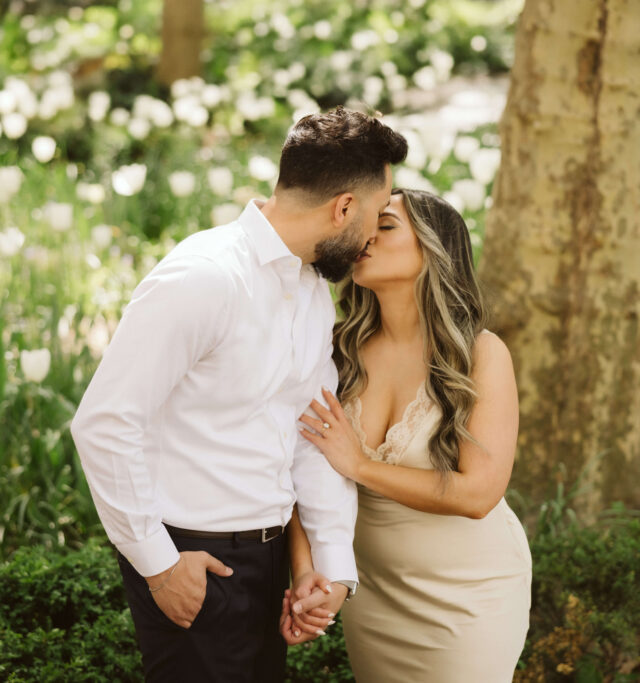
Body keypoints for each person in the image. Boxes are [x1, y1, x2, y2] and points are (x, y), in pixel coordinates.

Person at [69, 107, 408, 682]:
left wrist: (327, 567)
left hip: (269, 562)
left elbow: (314, 432)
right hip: (192, 558)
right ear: (344, 207)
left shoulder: (309, 290)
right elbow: (105, 423)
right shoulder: (203, 277)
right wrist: (159, 565)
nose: (373, 234)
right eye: (376, 214)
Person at [281, 188, 532, 682]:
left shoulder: (479, 355)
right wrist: (309, 569)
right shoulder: (335, 350)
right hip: (374, 594)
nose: (365, 236)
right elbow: (297, 470)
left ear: (433, 250)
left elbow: (479, 493)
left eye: (387, 225)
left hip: (471, 596)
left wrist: (360, 465)